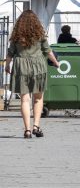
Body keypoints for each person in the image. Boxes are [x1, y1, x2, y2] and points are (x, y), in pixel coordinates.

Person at [5, 10, 58, 138]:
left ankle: (27, 130)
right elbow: (47, 51)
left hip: (21, 65)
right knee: (38, 98)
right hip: (38, 65)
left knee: (24, 99)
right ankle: (36, 126)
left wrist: (7, 65)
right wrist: (56, 62)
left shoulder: (17, 35)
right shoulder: (40, 34)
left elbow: (10, 53)